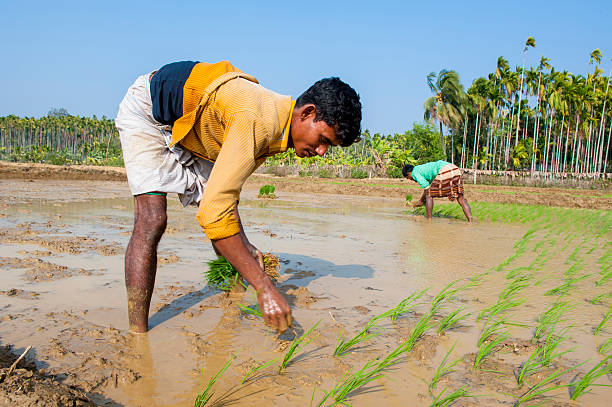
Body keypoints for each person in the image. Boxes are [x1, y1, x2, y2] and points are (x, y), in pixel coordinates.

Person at [115, 60, 362, 334]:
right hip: (150, 110)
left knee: (226, 215)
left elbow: (226, 197)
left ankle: (231, 298)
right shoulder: (258, 120)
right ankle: (137, 336)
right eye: (324, 139)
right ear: (307, 113)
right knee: (152, 218)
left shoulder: (279, 130)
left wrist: (245, 245)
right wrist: (264, 287)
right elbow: (213, 212)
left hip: (195, 128)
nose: (322, 152)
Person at [402, 160, 473, 222]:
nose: (412, 180)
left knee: (429, 195)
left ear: (409, 173)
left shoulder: (415, 173)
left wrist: (420, 201)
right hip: (454, 169)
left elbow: (427, 191)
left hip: (444, 170)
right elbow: (428, 188)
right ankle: (470, 221)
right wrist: (421, 201)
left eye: (409, 178)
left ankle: (429, 220)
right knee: (461, 199)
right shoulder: (421, 169)